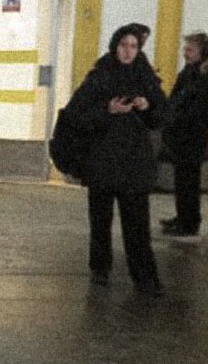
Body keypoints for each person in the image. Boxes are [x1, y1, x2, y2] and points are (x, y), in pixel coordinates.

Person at [64, 24, 167, 296]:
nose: (128, 51)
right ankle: (100, 267)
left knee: (137, 222)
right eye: (123, 45)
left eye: (133, 46)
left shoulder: (145, 76)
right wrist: (108, 109)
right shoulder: (100, 76)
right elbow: (77, 115)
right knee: (101, 218)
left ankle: (144, 277)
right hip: (103, 159)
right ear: (114, 46)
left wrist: (147, 106)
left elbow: (161, 115)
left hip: (134, 160)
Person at [160, 32, 208, 237]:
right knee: (182, 179)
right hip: (182, 133)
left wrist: (179, 118)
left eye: (190, 49)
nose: (185, 53)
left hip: (193, 135)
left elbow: (201, 106)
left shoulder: (206, 75)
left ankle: (189, 223)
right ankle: (182, 217)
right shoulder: (192, 71)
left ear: (201, 51)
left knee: (189, 181)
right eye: (185, 49)